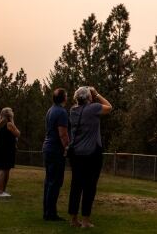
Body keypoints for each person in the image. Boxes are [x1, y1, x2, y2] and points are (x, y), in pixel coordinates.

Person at [68, 86, 113, 228]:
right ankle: (86, 221)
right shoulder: (93, 109)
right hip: (92, 153)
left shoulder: (73, 111)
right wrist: (97, 94)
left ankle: (73, 220)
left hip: (76, 154)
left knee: (76, 186)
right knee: (89, 187)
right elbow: (109, 107)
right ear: (89, 97)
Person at [42, 88, 70, 221]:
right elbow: (63, 134)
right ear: (64, 98)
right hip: (55, 150)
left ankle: (47, 211)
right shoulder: (62, 112)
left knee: (49, 182)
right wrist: (68, 147)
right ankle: (51, 214)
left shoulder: (50, 110)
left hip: (47, 148)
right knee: (55, 182)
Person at [0, 107, 20, 198]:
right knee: (3, 169)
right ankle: (1, 192)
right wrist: (12, 120)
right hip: (7, 149)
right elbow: (17, 133)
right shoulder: (9, 124)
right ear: (9, 115)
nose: (13, 112)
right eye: (11, 112)